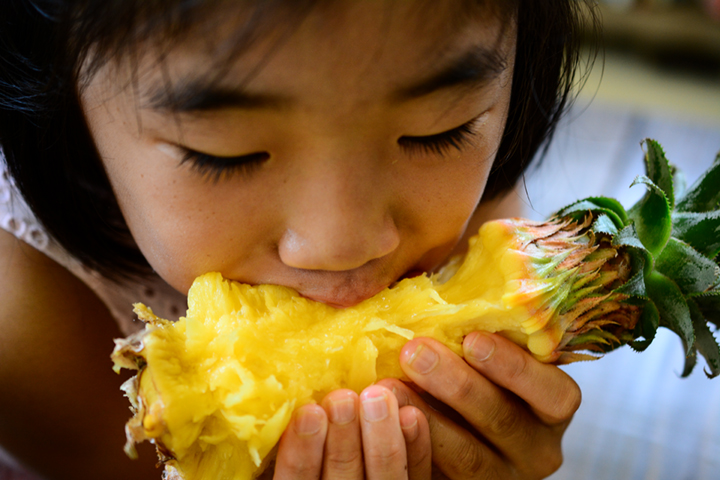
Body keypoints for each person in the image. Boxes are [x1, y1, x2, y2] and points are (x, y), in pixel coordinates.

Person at [0, 1, 596, 479]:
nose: (344, 244)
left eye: (436, 132)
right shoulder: (20, 313)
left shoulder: (483, 201)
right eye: (225, 154)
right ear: (60, 98)